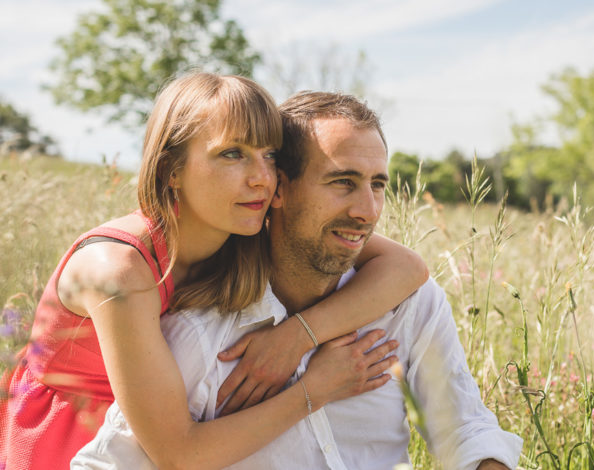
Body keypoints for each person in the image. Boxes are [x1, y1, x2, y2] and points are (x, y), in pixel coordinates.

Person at [0, 73, 429, 470]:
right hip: (69, 442)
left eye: (270, 156)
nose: (262, 178)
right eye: (232, 154)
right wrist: (314, 391)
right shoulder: (120, 269)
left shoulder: (241, 227)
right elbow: (177, 452)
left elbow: (407, 267)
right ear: (172, 170)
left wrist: (298, 336)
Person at [73, 91, 523, 469]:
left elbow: (464, 426)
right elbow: (119, 460)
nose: (368, 211)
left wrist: (300, 336)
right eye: (343, 182)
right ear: (278, 189)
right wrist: (309, 391)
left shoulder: (409, 303)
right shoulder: (200, 331)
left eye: (378, 184)